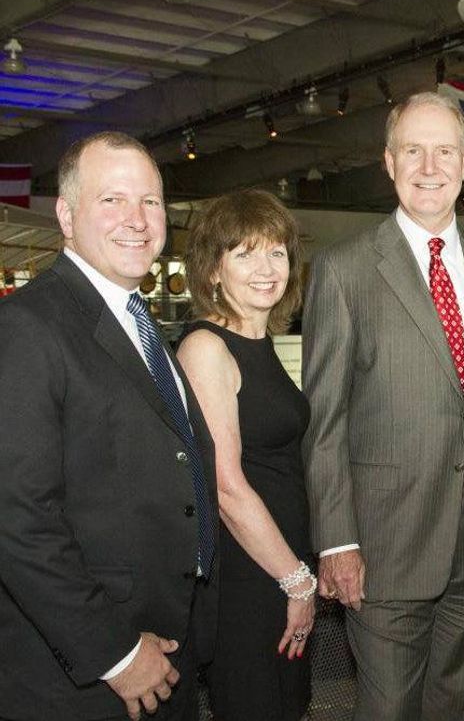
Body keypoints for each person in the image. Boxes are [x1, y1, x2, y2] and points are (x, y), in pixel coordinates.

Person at [302, 91, 464, 721]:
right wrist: (336, 541)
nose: (428, 166)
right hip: (383, 549)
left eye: (444, 151)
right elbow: (325, 422)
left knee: (458, 708)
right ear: (388, 161)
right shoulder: (344, 270)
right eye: (413, 150)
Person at [0, 131, 219, 721]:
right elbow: (18, 518)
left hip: (168, 642)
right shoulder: (27, 327)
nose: (138, 220)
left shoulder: (136, 319)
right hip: (87, 674)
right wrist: (115, 654)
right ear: (67, 216)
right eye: (112, 200)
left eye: (150, 201)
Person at [176, 188, 314, 721]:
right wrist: (296, 580)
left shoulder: (259, 343)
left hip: (277, 561)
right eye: (245, 253)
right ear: (213, 270)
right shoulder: (207, 347)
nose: (266, 267)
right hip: (248, 575)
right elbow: (227, 488)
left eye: (276, 252)